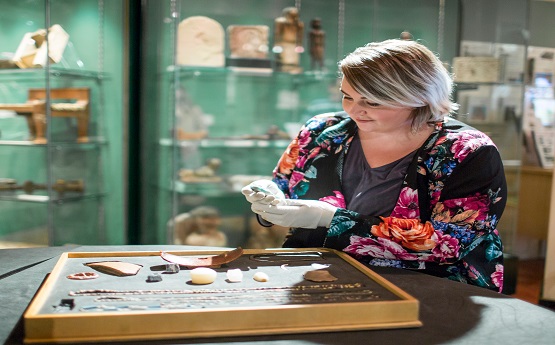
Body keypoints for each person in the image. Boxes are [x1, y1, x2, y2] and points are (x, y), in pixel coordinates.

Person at [242, 39, 507, 292]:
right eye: (347, 97)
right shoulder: (321, 132)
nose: (355, 111)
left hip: (426, 285)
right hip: (317, 275)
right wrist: (270, 194)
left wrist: (331, 218)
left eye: (372, 102)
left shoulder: (467, 152)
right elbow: (285, 184)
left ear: (419, 97)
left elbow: (448, 244)